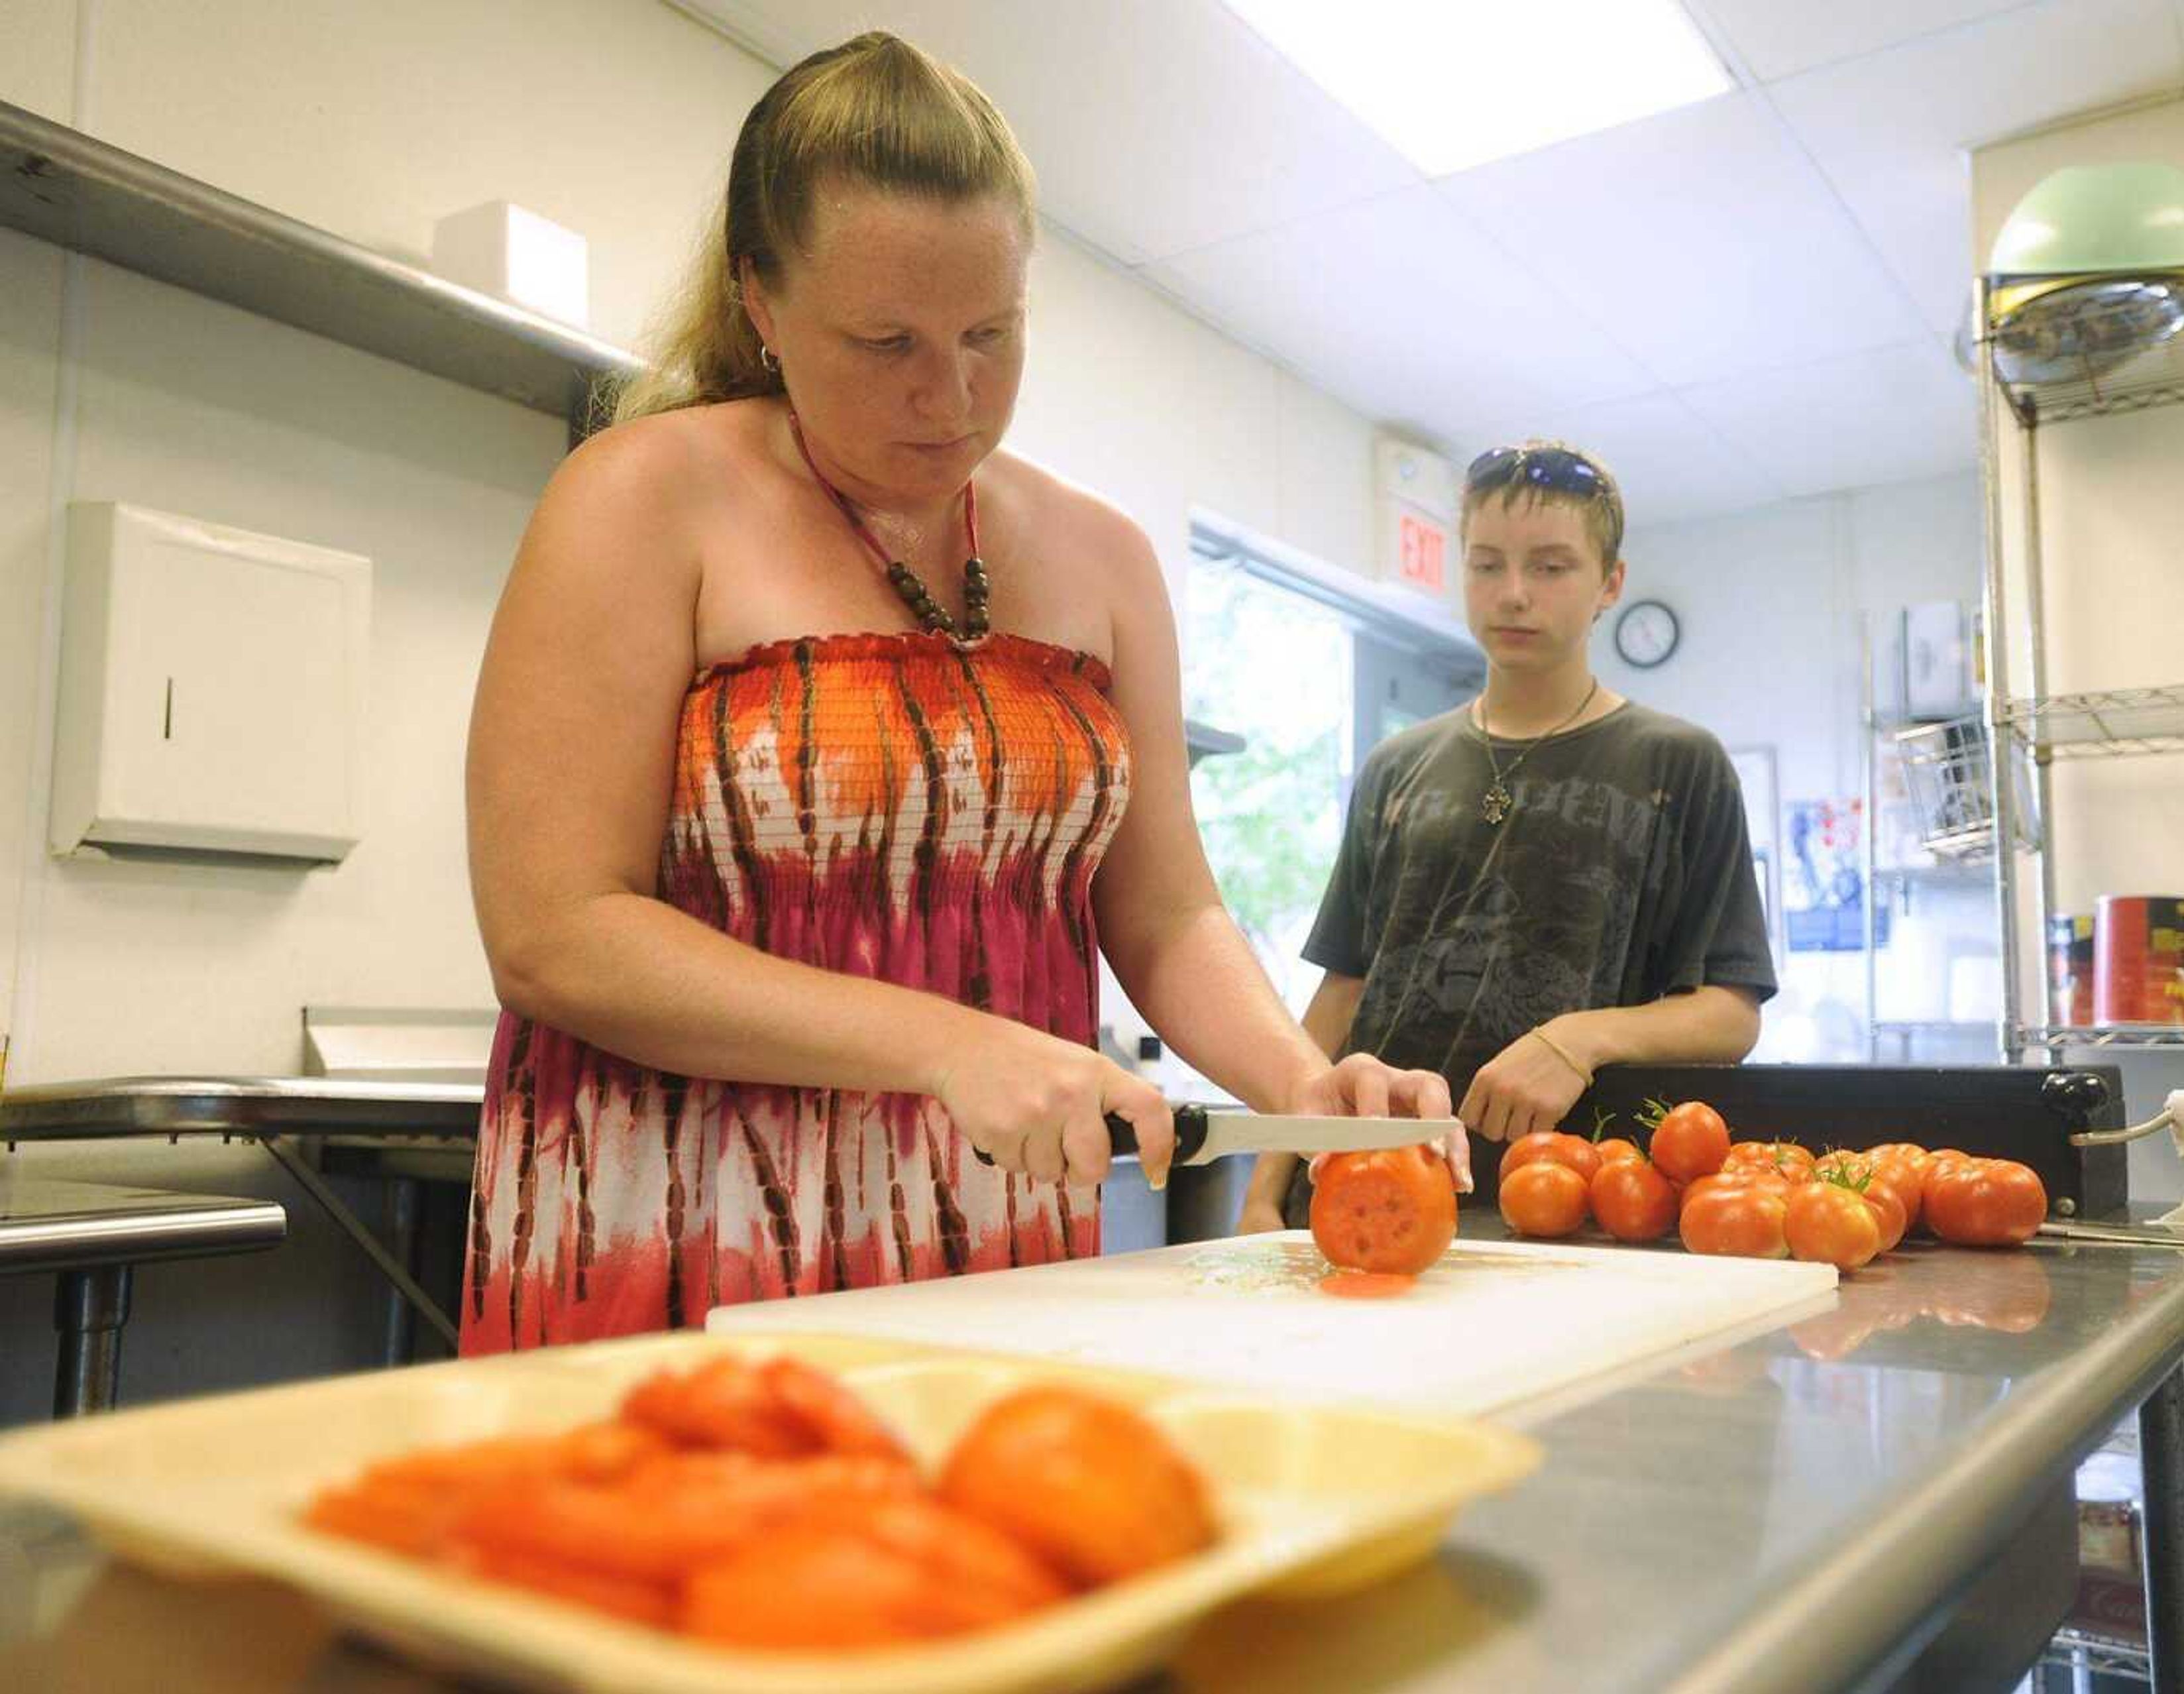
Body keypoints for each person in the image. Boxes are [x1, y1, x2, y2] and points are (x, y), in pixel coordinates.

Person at [460, 32, 1452, 1353]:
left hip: (994, 1245)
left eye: (994, 333)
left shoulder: (1105, 560)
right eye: (887, 343)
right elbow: (556, 926)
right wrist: (942, 1044)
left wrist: (1303, 1081)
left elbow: (1163, 913)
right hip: (684, 1219)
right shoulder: (645, 498)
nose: (955, 395)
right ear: (761, 300)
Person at [1240, 442, 1777, 1231]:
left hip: (1570, 1203)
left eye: (1552, 567)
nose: (1514, 594)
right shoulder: (1395, 768)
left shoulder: (1678, 764)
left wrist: (1576, 1039)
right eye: (1487, 565)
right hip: (1367, 1191)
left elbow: (1732, 1016)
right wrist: (1262, 1193)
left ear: (1610, 585)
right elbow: (1341, 996)